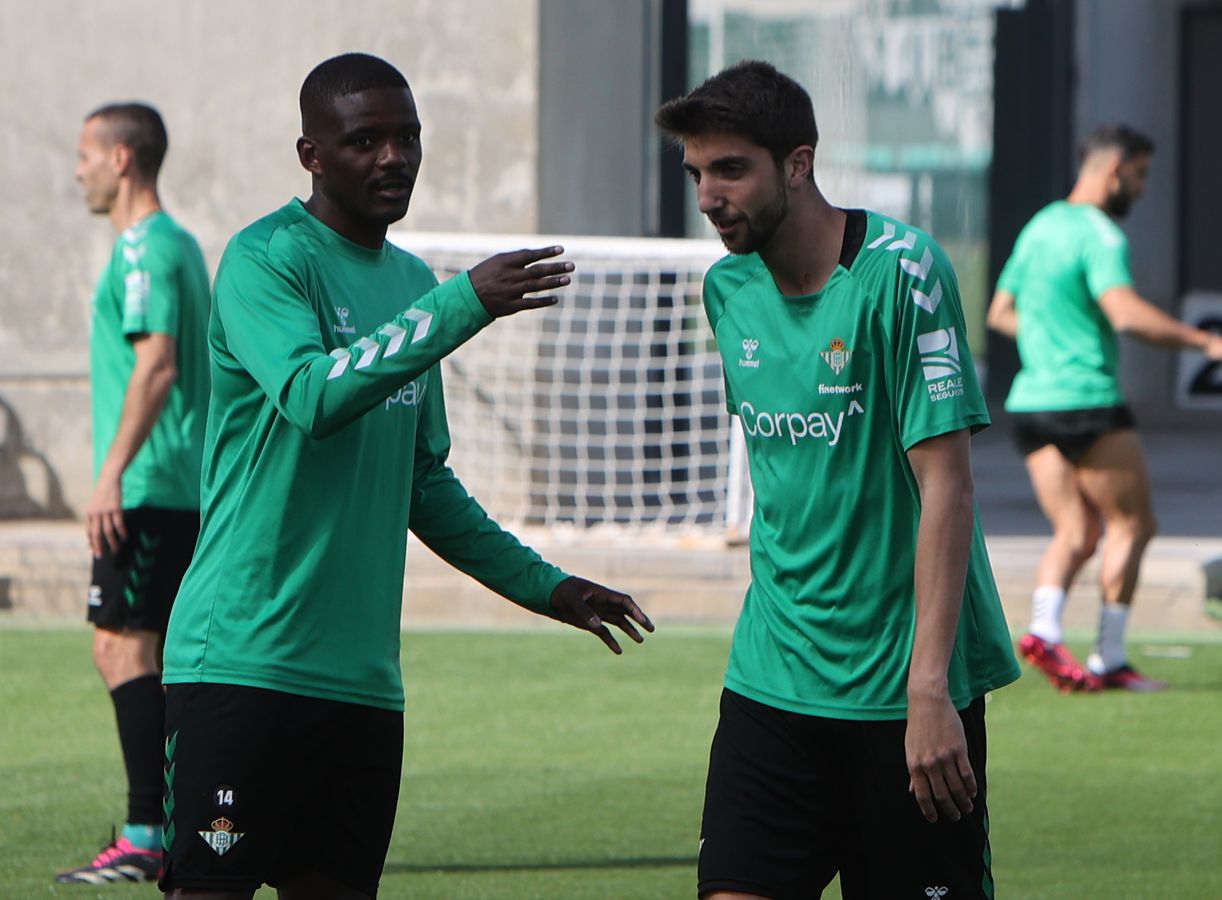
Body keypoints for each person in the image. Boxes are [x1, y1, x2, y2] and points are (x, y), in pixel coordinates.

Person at [158, 53, 653, 900]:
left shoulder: (409, 283)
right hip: (240, 666)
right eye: (365, 140)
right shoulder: (265, 261)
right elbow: (313, 396)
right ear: (311, 154)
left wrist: (549, 588)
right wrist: (463, 304)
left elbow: (424, 485)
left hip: (362, 687)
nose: (394, 157)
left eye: (407, 137)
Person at [656, 61, 1020, 900]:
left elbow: (949, 489)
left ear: (797, 163)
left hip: (903, 692)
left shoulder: (903, 272)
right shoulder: (726, 290)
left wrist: (928, 689)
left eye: (731, 169)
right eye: (697, 173)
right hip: (771, 680)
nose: (709, 195)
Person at [987, 123, 1222, 693]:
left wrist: (1051, 341)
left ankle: (1043, 631)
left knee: (1076, 530)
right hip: (1087, 400)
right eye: (1141, 176)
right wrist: (1211, 344)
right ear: (1115, 170)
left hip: (1032, 403)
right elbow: (1128, 315)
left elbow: (1001, 312)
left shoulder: (1040, 227)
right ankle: (1110, 657)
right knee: (1134, 524)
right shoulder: (1098, 234)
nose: (1142, 188)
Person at [59, 102, 212, 884]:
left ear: (122, 159)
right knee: (143, 649)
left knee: (123, 646)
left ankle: (151, 833)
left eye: (85, 153)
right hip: (174, 482)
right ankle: (176, 828)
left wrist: (110, 472)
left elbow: (158, 363)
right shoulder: (177, 243)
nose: (76, 168)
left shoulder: (145, 249)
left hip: (151, 484)